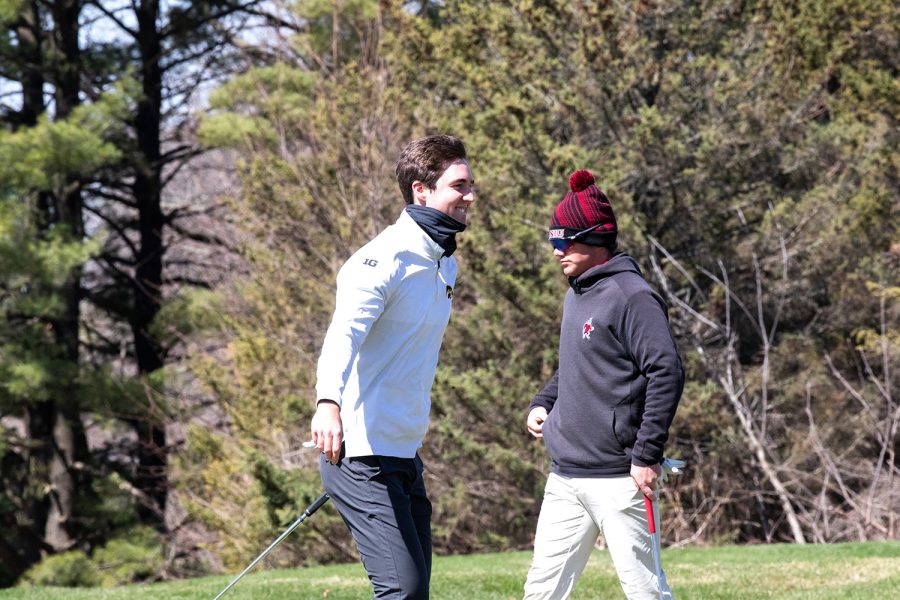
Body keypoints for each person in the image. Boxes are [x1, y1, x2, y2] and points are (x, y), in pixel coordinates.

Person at [310, 134, 475, 599]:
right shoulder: (380, 261)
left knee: (414, 590)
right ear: (421, 191)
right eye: (458, 186)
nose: (470, 196)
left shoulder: (444, 264)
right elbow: (343, 335)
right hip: (361, 455)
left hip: (404, 453)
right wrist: (328, 403)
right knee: (402, 591)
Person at [523, 169, 684, 600]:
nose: (556, 251)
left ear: (596, 239)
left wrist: (647, 455)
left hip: (621, 479)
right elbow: (575, 365)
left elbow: (666, 371)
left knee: (645, 592)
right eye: (554, 241)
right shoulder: (576, 293)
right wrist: (544, 403)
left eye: (564, 241)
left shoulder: (632, 296)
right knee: (541, 591)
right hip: (565, 476)